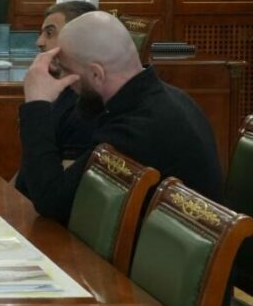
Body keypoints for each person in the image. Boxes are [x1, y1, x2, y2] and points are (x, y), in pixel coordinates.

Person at [17, 11, 222, 223]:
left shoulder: (137, 130)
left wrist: (36, 104)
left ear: (96, 74)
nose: (67, 82)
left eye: (66, 71)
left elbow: (52, 201)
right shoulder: (167, 97)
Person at [13, 0, 99, 196]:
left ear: (80, 40)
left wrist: (35, 104)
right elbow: (27, 170)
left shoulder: (84, 107)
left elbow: (56, 196)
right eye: (41, 33)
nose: (39, 42)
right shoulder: (59, 93)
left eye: (50, 33)